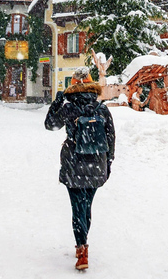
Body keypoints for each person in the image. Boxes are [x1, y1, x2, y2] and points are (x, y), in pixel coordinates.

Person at [45, 67, 115, 270]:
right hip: (96, 163)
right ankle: (83, 244)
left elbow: (50, 125)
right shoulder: (102, 108)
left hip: (73, 164)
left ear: (73, 85)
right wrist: (108, 162)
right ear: (92, 85)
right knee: (87, 207)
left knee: (77, 207)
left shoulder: (69, 107)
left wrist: (57, 102)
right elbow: (111, 138)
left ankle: (82, 249)